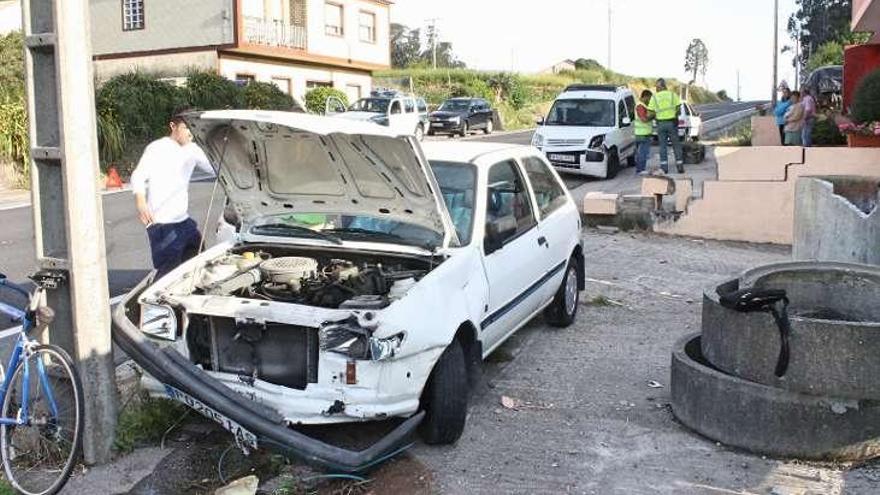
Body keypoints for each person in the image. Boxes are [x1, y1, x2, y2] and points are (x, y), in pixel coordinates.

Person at [131, 111, 214, 278]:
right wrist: (141, 202)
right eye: (186, 127)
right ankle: (157, 303)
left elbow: (215, 169)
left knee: (198, 261)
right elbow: (138, 176)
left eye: (192, 127)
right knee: (168, 275)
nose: (190, 132)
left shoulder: (193, 149)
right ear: (173, 126)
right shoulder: (157, 148)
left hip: (184, 221)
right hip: (162, 224)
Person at [648, 78, 684, 174]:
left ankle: (664, 168)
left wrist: (653, 116)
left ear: (662, 86)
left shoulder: (654, 97)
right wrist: (675, 117)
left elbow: (650, 113)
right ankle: (679, 166)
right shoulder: (673, 95)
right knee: (676, 145)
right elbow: (678, 110)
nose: (656, 88)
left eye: (657, 86)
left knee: (662, 146)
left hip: (660, 124)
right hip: (672, 123)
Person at [634, 89, 655, 175]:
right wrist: (653, 116)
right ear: (645, 96)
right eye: (649, 98)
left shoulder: (642, 106)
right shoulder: (640, 106)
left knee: (641, 152)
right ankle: (640, 170)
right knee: (643, 153)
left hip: (642, 133)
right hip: (642, 134)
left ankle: (640, 169)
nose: (650, 100)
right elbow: (644, 119)